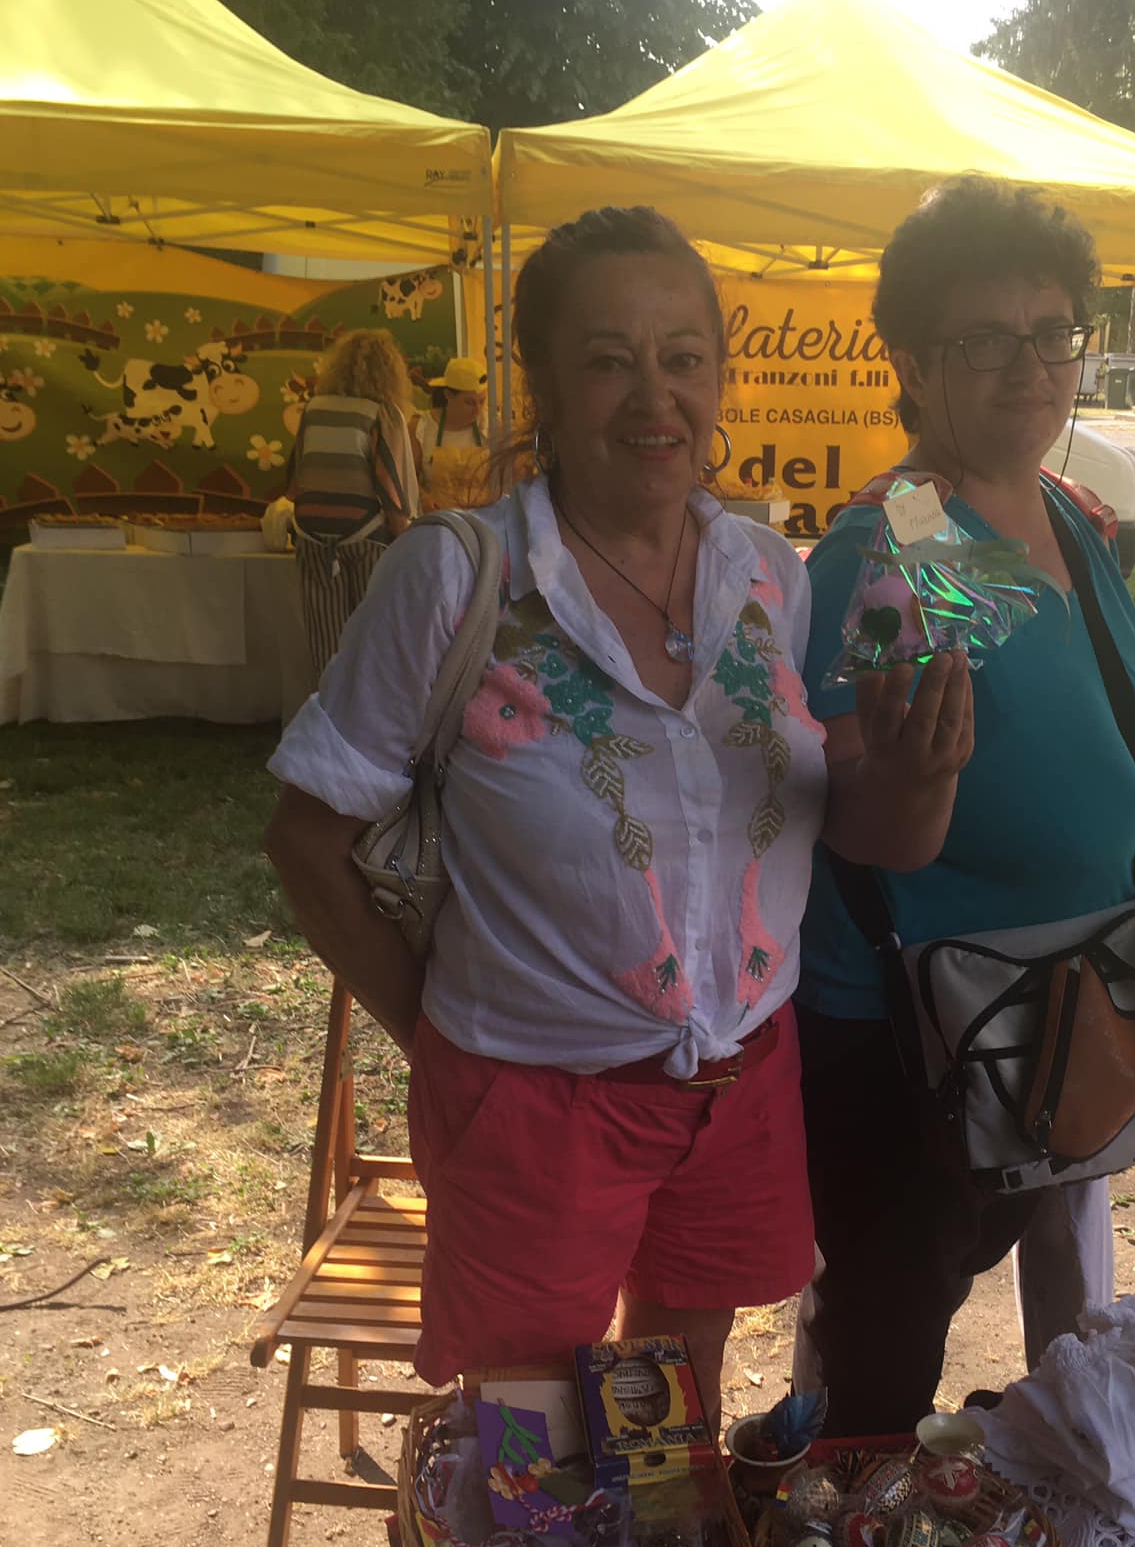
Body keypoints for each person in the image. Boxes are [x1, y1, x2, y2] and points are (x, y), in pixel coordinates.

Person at [262, 205, 969, 1425]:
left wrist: (918, 769)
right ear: (540, 381)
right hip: (531, 1099)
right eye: (608, 359)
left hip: (738, 1076)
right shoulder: (458, 574)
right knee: (530, 1440)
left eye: (683, 356)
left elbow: (839, 818)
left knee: (671, 1420)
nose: (655, 395)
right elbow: (307, 837)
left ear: (718, 375)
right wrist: (437, 1034)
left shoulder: (771, 576)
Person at [794, 176, 1135, 1437]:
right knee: (875, 1381)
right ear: (914, 363)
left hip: (1052, 1006)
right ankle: (833, 1533)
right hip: (925, 1043)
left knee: (1027, 1349)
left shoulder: (1063, 516)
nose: (1031, 365)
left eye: (1053, 331)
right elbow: (859, 812)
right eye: (986, 338)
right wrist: (914, 781)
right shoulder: (919, 539)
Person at [289, 327, 420, 673]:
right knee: (372, 635)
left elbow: (296, 479)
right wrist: (406, 536)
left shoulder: (312, 409)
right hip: (366, 538)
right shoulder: (380, 413)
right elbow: (390, 487)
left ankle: (329, 703)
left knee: (326, 644)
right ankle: (369, 702)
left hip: (312, 539)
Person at [411, 356, 488, 508]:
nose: (478, 410)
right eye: (469, 402)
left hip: (483, 518)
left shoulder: (491, 424)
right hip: (439, 518)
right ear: (448, 395)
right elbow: (408, 478)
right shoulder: (421, 427)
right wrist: (423, 498)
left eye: (482, 401)